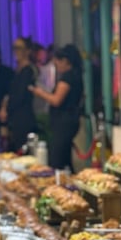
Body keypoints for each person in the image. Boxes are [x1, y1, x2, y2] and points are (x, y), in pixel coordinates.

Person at [28, 43, 83, 171]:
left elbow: (56, 100)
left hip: (64, 122)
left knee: (57, 158)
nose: (56, 64)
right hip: (69, 121)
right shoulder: (76, 76)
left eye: (58, 61)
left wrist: (40, 93)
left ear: (66, 61)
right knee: (65, 157)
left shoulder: (67, 78)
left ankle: (59, 180)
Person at [0, 37, 37, 152]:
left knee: (22, 150)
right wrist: (4, 107)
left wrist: (7, 108)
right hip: (14, 117)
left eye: (19, 48)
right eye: (14, 48)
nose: (16, 51)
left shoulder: (28, 70)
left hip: (23, 117)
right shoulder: (17, 70)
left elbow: (20, 95)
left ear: (28, 51)